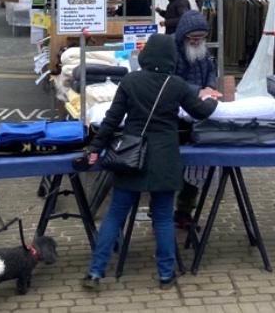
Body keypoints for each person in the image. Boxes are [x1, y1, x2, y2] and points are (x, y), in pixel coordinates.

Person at [82, 34, 218, 290]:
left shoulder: (130, 81)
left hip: (132, 156)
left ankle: (96, 272)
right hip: (165, 158)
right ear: (170, 58)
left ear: (146, 56)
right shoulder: (177, 85)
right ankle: (166, 274)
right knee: (164, 218)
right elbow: (199, 112)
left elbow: (111, 120)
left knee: (114, 216)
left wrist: (94, 148)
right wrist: (211, 100)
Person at [172, 10, 221, 227]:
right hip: (177, 114)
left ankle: (185, 210)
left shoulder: (203, 51)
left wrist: (210, 86)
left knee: (196, 167)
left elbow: (211, 69)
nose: (196, 42)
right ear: (183, 35)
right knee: (175, 166)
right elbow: (172, 79)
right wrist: (195, 91)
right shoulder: (172, 51)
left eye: (200, 38)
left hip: (198, 111)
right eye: (193, 38)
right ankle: (162, 211)